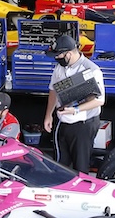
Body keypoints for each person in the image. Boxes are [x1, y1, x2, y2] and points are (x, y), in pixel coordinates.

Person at [43, 34, 106, 173]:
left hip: (83, 124)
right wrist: (49, 115)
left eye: (58, 55)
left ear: (69, 54)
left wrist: (75, 109)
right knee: (61, 164)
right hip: (63, 122)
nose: (56, 58)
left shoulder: (92, 70)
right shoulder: (60, 67)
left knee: (80, 166)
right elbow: (53, 90)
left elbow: (99, 100)